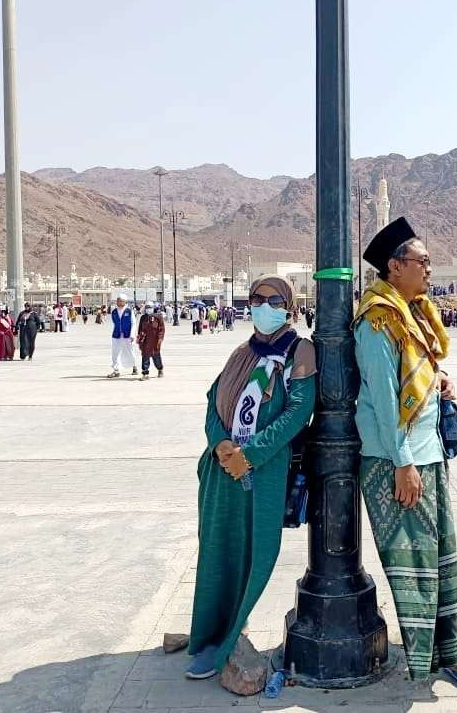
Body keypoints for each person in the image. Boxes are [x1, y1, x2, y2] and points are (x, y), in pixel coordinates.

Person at [353, 218, 457, 696]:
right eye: (423, 262)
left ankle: (452, 626)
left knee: (440, 552)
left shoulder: (412, 313)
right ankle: (444, 652)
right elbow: (384, 397)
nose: (430, 270)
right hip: (397, 460)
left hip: (426, 452)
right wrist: (402, 463)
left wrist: (439, 381)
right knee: (415, 559)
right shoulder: (379, 319)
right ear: (395, 268)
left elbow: (416, 375)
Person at [186, 276, 317, 683]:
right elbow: (213, 401)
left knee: (253, 553)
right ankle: (209, 637)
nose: (262, 305)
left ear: (288, 306)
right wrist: (221, 444)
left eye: (272, 299)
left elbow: (298, 411)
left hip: (261, 471)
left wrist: (251, 454)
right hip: (220, 468)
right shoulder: (241, 353)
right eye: (255, 299)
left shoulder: (300, 351)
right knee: (216, 551)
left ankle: (227, 642)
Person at [107, 294, 138, 378]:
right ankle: (116, 370)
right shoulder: (113, 312)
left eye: (121, 301)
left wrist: (132, 335)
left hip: (127, 335)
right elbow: (114, 323)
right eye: (118, 301)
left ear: (124, 302)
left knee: (130, 351)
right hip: (116, 335)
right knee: (115, 353)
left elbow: (133, 323)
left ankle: (134, 367)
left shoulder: (129, 311)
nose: (119, 302)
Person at [137, 302, 165, 380]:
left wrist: (160, 338)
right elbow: (140, 329)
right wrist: (139, 340)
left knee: (156, 357)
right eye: (147, 307)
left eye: (150, 307)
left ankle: (160, 369)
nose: (148, 309)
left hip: (155, 341)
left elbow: (162, 329)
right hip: (145, 341)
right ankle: (145, 373)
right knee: (145, 357)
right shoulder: (143, 317)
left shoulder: (158, 317)